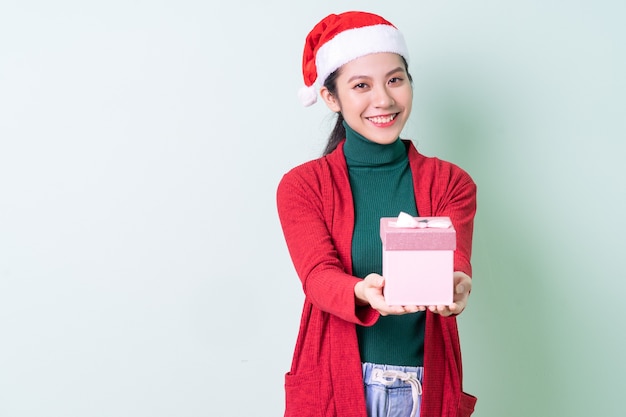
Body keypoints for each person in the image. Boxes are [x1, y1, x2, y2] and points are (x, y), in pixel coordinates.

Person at [276, 11, 477, 417]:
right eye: (361, 86)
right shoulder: (304, 186)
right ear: (331, 98)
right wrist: (361, 292)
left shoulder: (450, 182)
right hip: (337, 381)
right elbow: (317, 276)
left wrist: (456, 283)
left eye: (395, 79)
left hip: (425, 385)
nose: (383, 99)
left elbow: (454, 258)